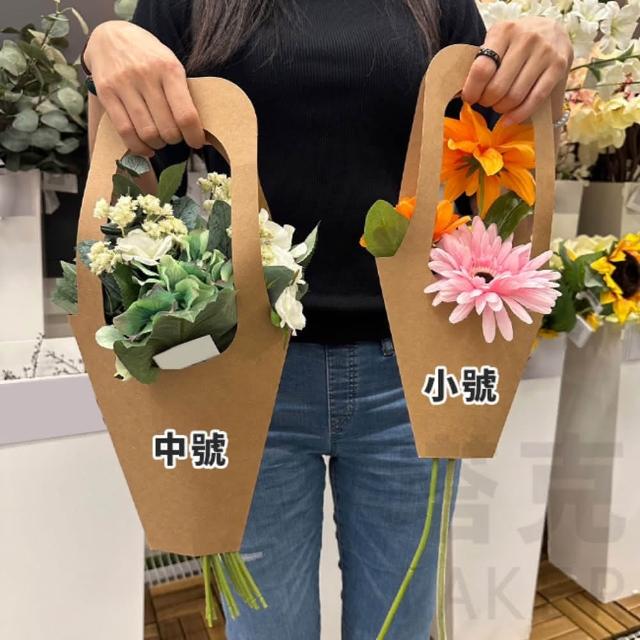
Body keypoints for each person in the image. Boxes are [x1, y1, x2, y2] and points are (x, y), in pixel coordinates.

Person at [83, 2, 572, 638]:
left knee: (399, 626)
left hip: (413, 373)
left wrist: (540, 67)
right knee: (268, 629)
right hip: (241, 374)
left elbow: (497, 148)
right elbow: (128, 183)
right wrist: (106, 54)